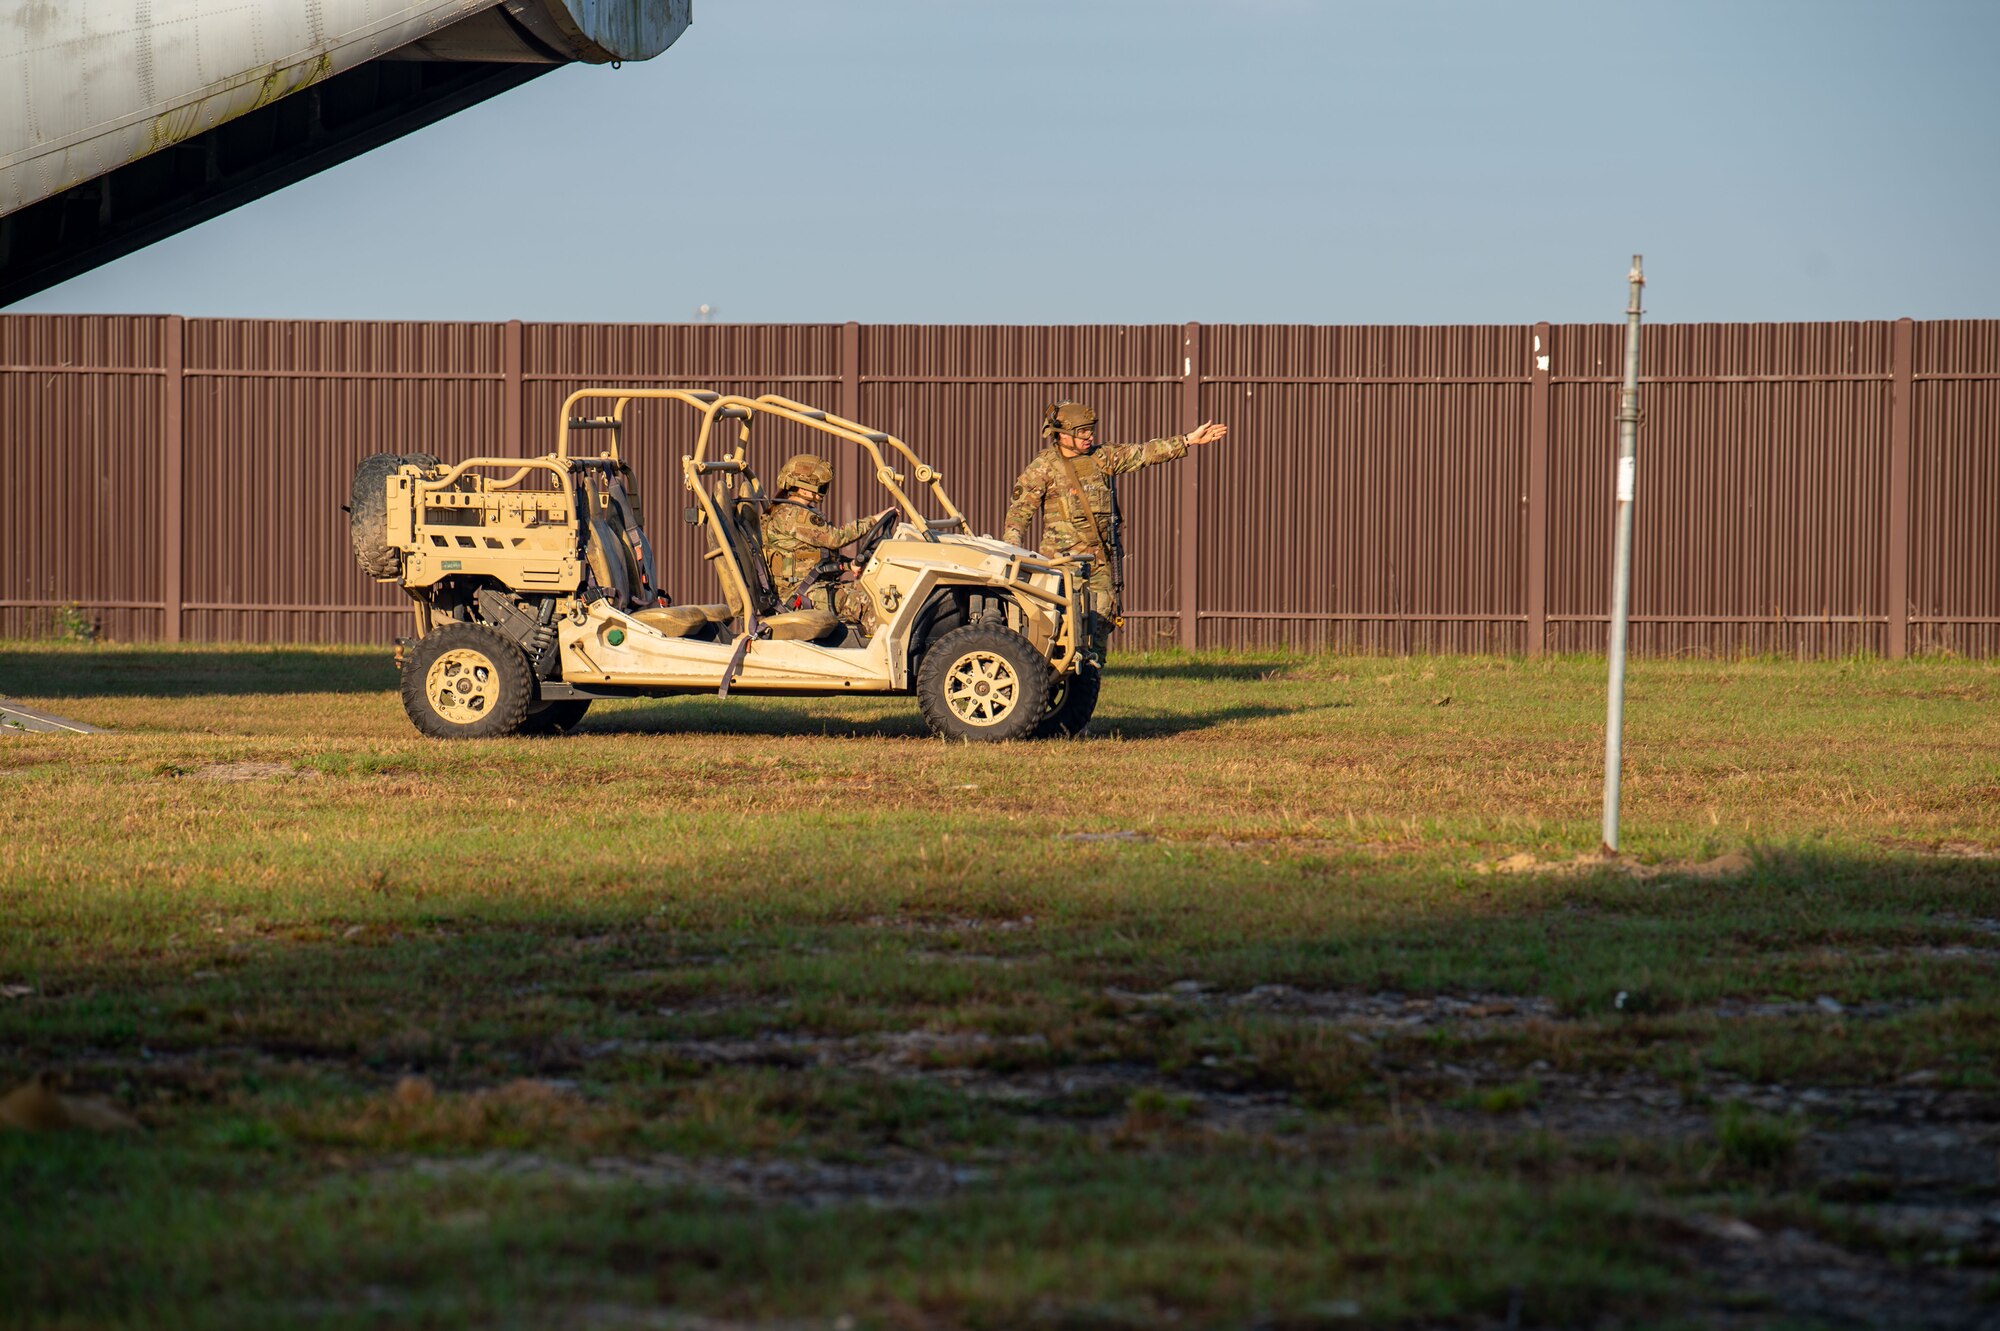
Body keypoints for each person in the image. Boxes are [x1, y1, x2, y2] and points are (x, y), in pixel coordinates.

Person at [1001, 401, 1228, 659]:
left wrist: (1188, 440)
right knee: (1056, 635)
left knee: (1098, 635)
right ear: (1063, 434)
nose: (1090, 436)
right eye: (1083, 431)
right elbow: (1018, 516)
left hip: (1099, 567)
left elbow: (1144, 453)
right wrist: (1014, 557)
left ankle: (1087, 687)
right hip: (1061, 568)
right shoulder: (1043, 468)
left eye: (1091, 430)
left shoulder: (1103, 458)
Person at [761, 453, 895, 631]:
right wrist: (873, 521)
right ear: (803, 488)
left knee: (876, 590)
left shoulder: (797, 512)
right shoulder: (792, 515)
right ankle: (886, 653)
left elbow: (811, 557)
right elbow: (835, 539)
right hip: (799, 595)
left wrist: (849, 566)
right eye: (821, 486)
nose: (824, 490)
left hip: (811, 585)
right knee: (864, 604)